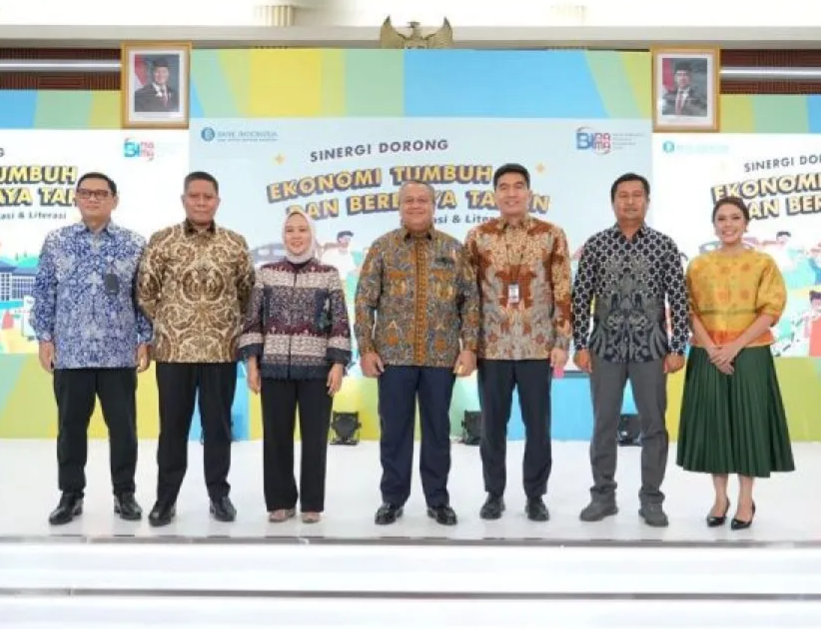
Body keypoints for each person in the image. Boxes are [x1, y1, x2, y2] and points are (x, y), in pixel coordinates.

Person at [354, 180, 479, 526]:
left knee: (438, 432)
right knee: (394, 432)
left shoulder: (454, 250)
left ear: (433, 205)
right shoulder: (382, 248)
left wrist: (469, 348)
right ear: (399, 206)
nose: (415, 205)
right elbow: (364, 301)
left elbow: (470, 301)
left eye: (422, 199)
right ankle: (392, 499)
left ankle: (438, 500)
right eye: (408, 200)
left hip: (441, 359)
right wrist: (366, 348)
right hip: (392, 358)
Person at [30, 172, 152, 525]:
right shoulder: (57, 242)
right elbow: (43, 292)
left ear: (115, 199)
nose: (93, 199)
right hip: (71, 352)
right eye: (86, 193)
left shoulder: (134, 244)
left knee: (124, 429)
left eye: (101, 193)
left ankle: (124, 494)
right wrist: (44, 338)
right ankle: (71, 495)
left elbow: (142, 297)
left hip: (119, 354)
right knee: (70, 428)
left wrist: (145, 338)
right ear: (76, 198)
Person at [137, 170, 255, 526]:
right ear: (184, 199)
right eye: (195, 196)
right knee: (172, 428)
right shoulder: (162, 240)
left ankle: (219, 496)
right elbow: (145, 291)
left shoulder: (235, 243)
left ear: (217, 201)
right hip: (174, 352)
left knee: (218, 428)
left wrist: (225, 326)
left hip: (221, 352)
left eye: (208, 197)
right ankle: (165, 499)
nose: (201, 202)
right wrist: (173, 321)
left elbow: (247, 293)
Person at [572, 172, 689, 528]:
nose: (630, 201)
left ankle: (652, 500)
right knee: (603, 424)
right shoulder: (595, 245)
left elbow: (679, 297)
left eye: (637, 195)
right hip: (604, 347)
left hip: (651, 348)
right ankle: (602, 497)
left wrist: (678, 345)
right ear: (613, 202)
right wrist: (580, 343)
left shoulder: (664, 245)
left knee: (653, 427)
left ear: (647, 202)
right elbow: (580, 297)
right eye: (623, 195)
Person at [677, 196, 795, 530]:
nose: (728, 224)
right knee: (715, 426)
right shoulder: (698, 265)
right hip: (707, 353)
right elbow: (688, 310)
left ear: (746, 223)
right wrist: (714, 349)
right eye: (722, 218)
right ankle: (719, 497)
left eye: (735, 218)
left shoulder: (763, 263)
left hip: (750, 354)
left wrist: (734, 347)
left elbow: (771, 310)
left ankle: (745, 499)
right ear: (713, 224)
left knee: (748, 425)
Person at [464, 163, 572, 522]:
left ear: (529, 193)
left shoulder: (550, 234)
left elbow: (562, 290)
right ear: (494, 195)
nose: (511, 193)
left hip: (537, 346)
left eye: (518, 186)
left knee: (538, 427)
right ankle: (493, 494)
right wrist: (469, 344)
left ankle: (535, 496)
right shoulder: (478, 236)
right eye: (504, 187)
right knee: (492, 427)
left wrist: (562, 340)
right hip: (492, 347)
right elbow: (468, 295)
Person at [239, 208, 352, 524]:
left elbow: (340, 322)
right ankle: (280, 501)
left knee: (315, 439)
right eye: (290, 230)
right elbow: (253, 320)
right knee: (276, 438)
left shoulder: (328, 274)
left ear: (312, 234)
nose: (296, 236)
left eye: (302, 230)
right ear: (283, 235)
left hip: (317, 369)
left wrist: (338, 364)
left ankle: (312, 503)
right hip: (273, 368)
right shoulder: (266, 272)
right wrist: (252, 363)